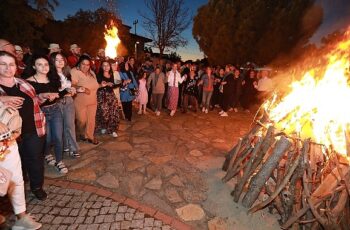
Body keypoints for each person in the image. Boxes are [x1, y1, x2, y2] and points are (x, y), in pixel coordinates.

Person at [0, 51, 56, 201]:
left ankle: (37, 187)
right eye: (3, 64)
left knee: (35, 159)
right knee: (13, 164)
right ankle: (13, 190)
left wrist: (42, 97)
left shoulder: (23, 83)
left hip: (33, 128)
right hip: (8, 135)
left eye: (11, 64)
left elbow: (33, 101)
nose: (8, 68)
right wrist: (3, 99)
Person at [23, 55, 67, 174]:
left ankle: (59, 161)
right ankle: (47, 154)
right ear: (34, 66)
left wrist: (68, 91)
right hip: (41, 113)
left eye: (46, 64)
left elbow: (57, 94)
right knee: (47, 139)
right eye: (40, 64)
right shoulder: (29, 82)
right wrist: (42, 97)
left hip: (55, 109)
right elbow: (29, 102)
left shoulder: (53, 78)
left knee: (58, 137)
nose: (44, 67)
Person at [50, 52, 80, 158]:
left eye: (62, 59)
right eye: (57, 59)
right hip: (57, 102)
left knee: (70, 124)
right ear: (52, 61)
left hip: (69, 100)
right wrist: (67, 90)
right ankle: (65, 146)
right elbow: (54, 91)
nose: (60, 61)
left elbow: (70, 87)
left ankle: (73, 148)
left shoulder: (67, 73)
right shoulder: (50, 74)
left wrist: (73, 90)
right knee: (61, 126)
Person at [71, 55, 100, 145]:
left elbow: (95, 85)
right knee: (81, 120)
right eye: (83, 64)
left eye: (87, 65)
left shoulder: (92, 72)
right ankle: (81, 133)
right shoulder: (75, 71)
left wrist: (101, 84)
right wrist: (81, 88)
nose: (85, 66)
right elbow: (73, 85)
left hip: (93, 100)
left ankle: (90, 136)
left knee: (91, 120)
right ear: (79, 63)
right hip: (80, 101)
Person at [95, 60, 120, 137]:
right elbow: (97, 85)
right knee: (103, 112)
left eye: (107, 65)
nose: (106, 67)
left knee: (113, 112)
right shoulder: (98, 75)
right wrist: (105, 84)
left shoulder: (111, 74)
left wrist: (121, 83)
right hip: (102, 95)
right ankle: (103, 126)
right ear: (102, 67)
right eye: (104, 65)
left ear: (110, 66)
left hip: (111, 95)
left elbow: (112, 86)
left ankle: (112, 130)